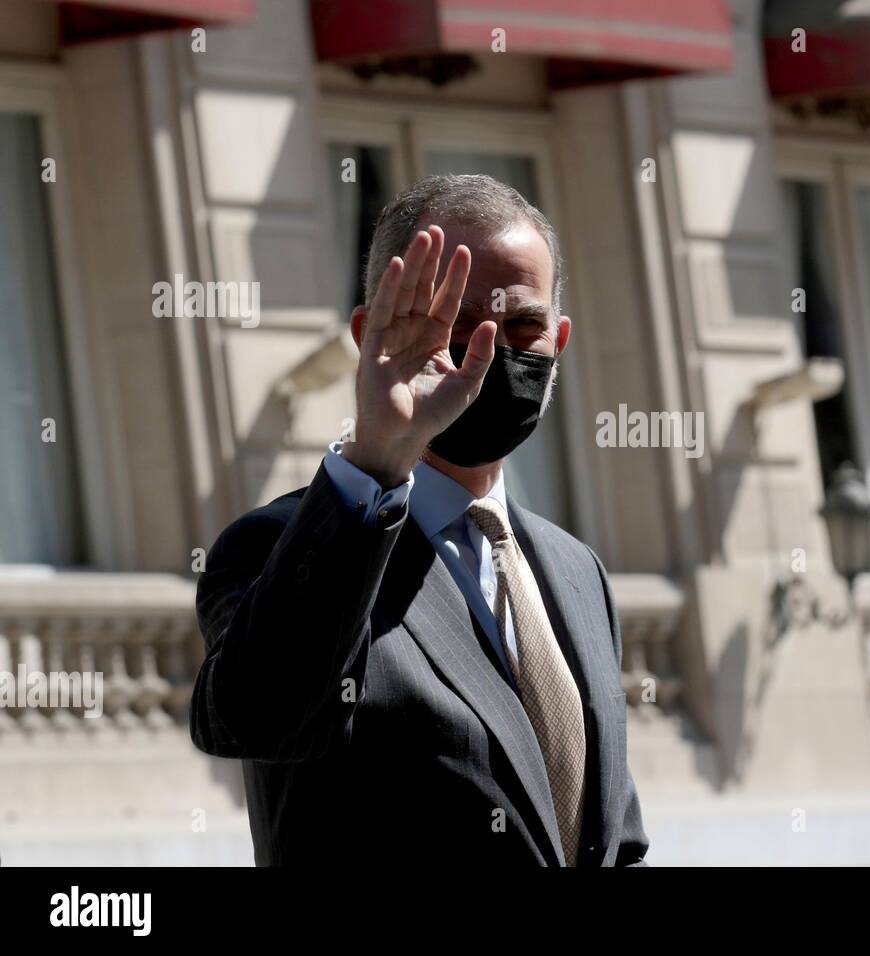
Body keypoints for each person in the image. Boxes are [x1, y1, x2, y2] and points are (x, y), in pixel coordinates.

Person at [190, 174, 649, 867]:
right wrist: (377, 454)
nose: (488, 350)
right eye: (453, 325)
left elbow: (615, 841)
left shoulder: (574, 570)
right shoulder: (282, 545)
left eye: (521, 325)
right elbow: (255, 718)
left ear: (559, 339)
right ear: (368, 335)